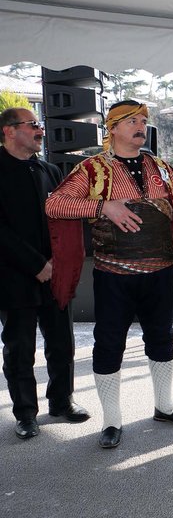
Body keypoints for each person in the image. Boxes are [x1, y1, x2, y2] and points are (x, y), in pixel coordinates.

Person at [46, 100, 173, 449]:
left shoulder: (161, 168)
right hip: (114, 276)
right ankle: (112, 420)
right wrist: (104, 206)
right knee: (109, 343)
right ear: (112, 129)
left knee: (162, 337)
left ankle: (164, 406)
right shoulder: (92, 169)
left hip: (159, 273)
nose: (140, 126)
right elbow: (55, 204)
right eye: (131, 121)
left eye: (142, 121)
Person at [0, 108, 90, 440]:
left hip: (55, 274)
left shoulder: (50, 170)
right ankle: (25, 413)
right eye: (33, 125)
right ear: (10, 131)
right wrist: (36, 264)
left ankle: (62, 402)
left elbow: (65, 220)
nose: (40, 130)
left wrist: (61, 262)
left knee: (62, 343)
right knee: (20, 349)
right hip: (13, 276)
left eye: (40, 125)